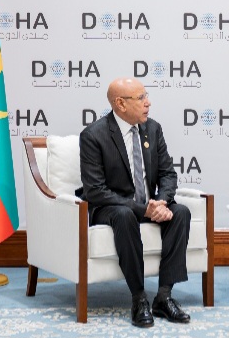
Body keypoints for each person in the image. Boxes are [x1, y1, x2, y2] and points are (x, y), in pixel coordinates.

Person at [79, 77, 191, 328]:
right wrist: (144, 209)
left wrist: (161, 202)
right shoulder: (93, 135)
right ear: (120, 104)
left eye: (146, 96)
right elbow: (95, 191)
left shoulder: (153, 129)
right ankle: (139, 298)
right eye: (141, 98)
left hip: (149, 204)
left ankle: (164, 297)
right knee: (125, 215)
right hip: (110, 207)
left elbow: (167, 174)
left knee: (181, 212)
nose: (148, 103)